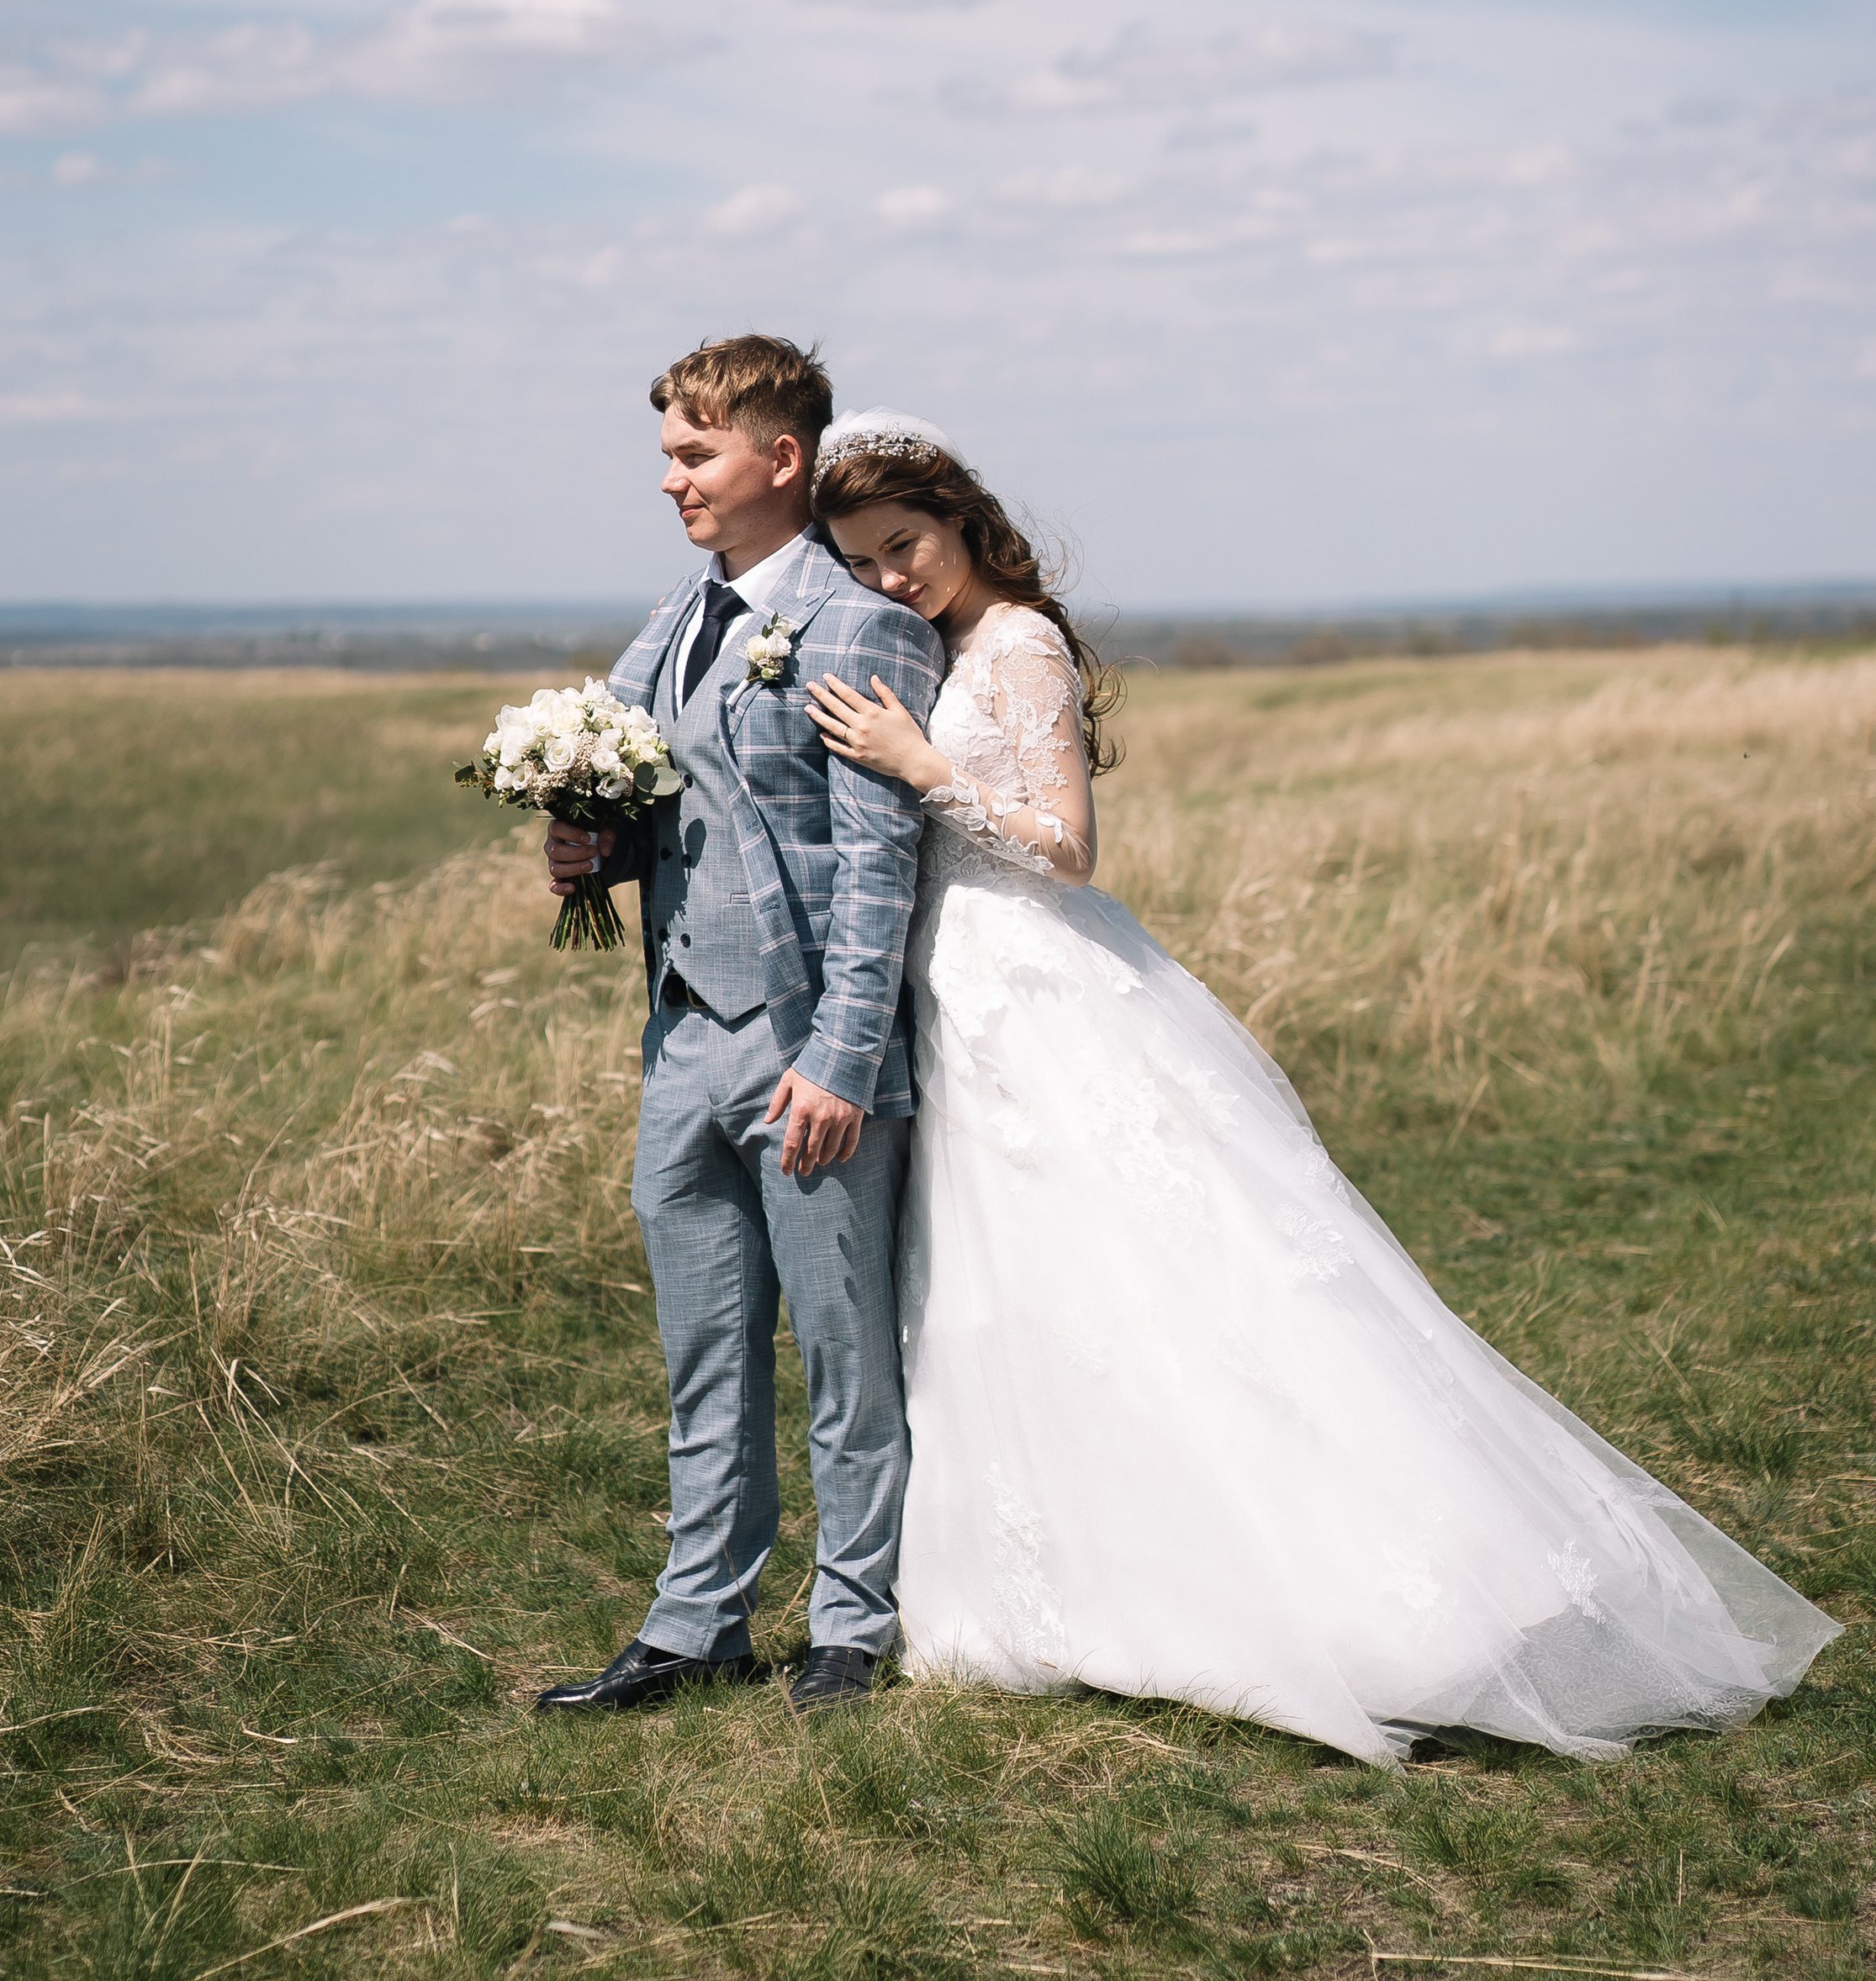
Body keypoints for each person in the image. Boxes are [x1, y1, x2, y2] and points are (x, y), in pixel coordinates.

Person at [802, 409, 1840, 1765]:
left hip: (1042, 986)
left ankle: (1347, 1588)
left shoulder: (1020, 643)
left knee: (1156, 1271)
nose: (891, 577)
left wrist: (926, 768)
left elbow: (1067, 846)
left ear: (959, 517)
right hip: (963, 998)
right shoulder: (929, 646)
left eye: (906, 544)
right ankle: (1070, 1578)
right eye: (863, 562)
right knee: (1011, 1281)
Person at [535, 340, 940, 1716]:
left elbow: (878, 867)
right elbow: (676, 806)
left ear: (782, 458)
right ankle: (695, 1621)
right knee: (704, 1350)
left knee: (841, 1349)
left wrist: (841, 1057)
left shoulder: (862, 624)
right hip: (680, 1039)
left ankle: (853, 1622)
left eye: (695, 453)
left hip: (806, 1048)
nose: (671, 479)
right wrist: (591, 848)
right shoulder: (672, 622)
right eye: (666, 453)